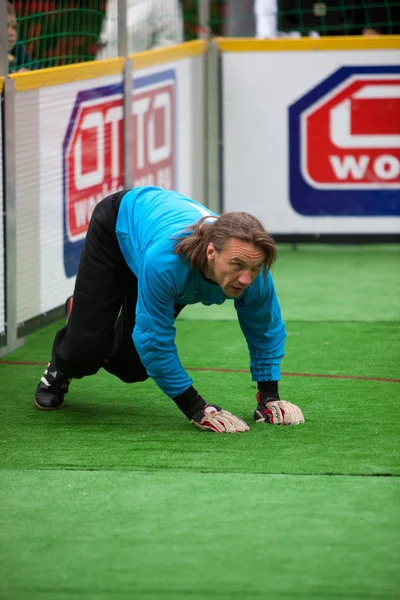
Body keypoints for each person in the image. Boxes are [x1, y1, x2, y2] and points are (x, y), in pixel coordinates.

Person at [34, 187, 305, 433]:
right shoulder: (168, 263)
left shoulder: (253, 270)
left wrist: (269, 395)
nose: (246, 279)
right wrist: (196, 407)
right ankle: (66, 355)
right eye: (236, 265)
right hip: (118, 229)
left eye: (254, 269)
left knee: (132, 368)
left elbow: (264, 327)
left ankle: (91, 320)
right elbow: (154, 341)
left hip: (155, 255)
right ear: (211, 253)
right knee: (85, 351)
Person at [97, 0, 183, 59]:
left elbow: (169, 43)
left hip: (146, 79)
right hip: (110, 78)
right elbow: (106, 39)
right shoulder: (114, 2)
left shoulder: (165, 2)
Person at [7, 1, 33, 73]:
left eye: (14, 27)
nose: (12, 33)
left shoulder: (16, 45)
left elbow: (32, 64)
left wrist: (27, 70)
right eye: (5, 26)